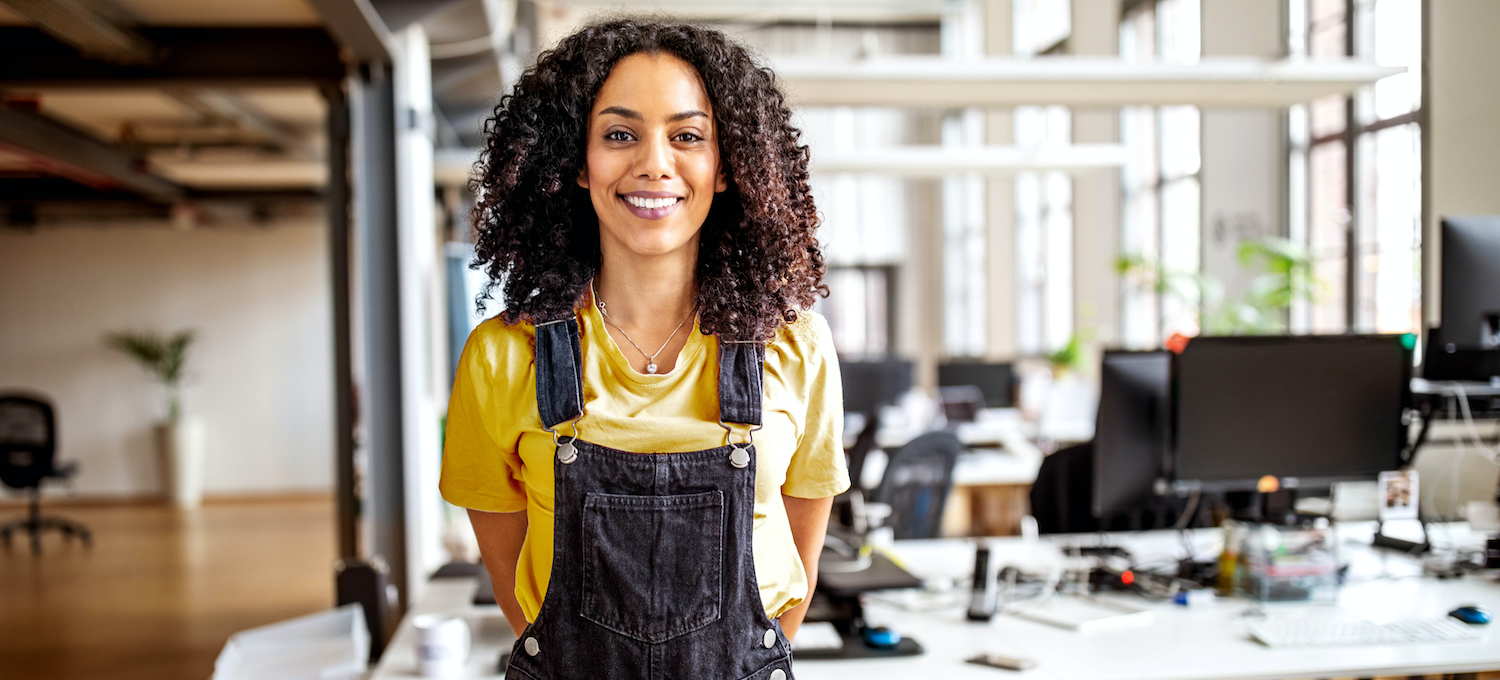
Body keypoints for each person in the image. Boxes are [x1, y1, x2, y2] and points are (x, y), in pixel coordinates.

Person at [439, 19, 849, 680]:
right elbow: (522, 600)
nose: (654, 163)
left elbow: (797, 572)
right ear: (576, 161)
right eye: (620, 134)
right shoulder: (500, 357)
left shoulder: (796, 347)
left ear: (726, 167)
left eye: (688, 136)